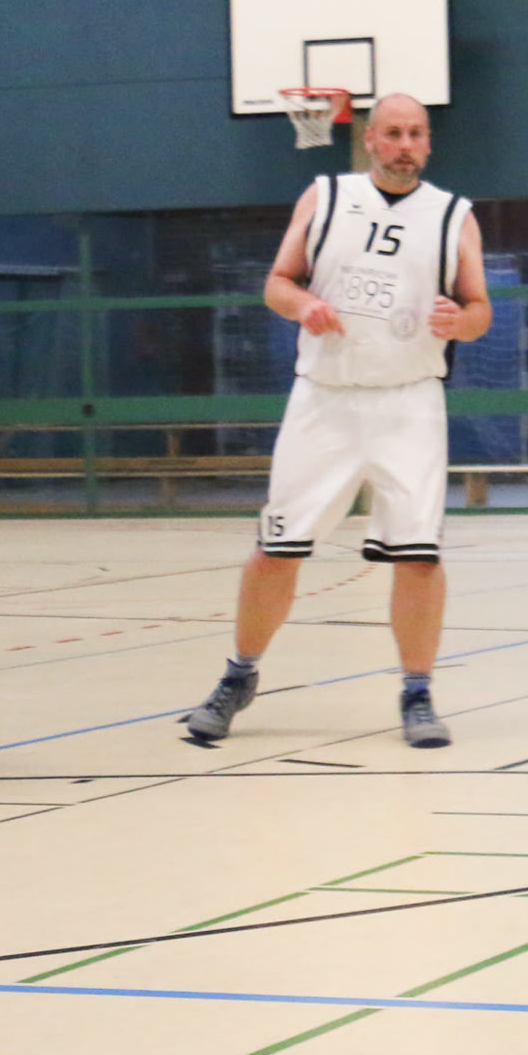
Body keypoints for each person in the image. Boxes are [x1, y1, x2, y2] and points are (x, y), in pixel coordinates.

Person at [182, 94, 491, 748]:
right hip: (325, 398)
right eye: (393, 133)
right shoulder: (324, 197)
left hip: (409, 402)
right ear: (371, 139)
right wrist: (303, 306)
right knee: (277, 550)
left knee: (418, 555)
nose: (405, 144)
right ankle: (239, 675)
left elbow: (479, 309)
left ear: (428, 143)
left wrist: (460, 321)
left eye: (416, 133)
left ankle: (417, 692)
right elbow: (277, 282)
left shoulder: (453, 215)